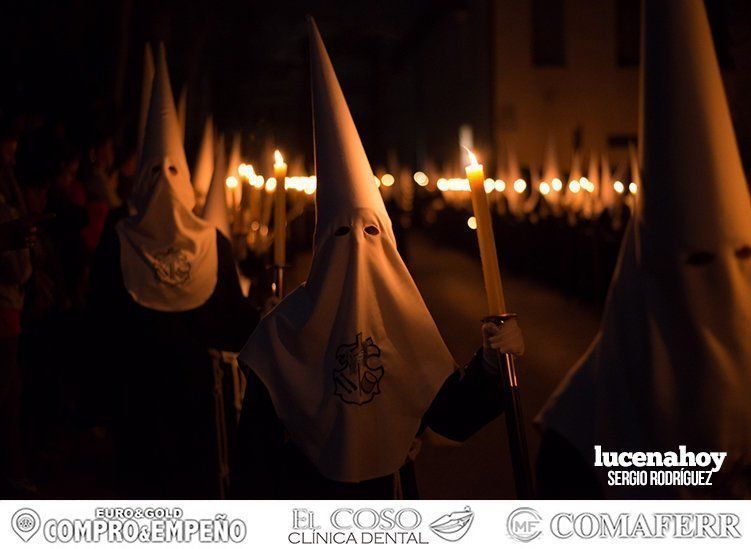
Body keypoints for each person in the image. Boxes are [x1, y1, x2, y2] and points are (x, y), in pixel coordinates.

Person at [231, 19, 524, 499]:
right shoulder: (281, 332)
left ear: (386, 242)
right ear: (324, 242)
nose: (356, 245)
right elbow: (252, 460)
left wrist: (493, 365)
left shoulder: (403, 322)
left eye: (370, 232)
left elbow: (451, 415)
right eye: (343, 233)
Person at [536, 0, 751, 499]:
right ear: (640, 275)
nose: (714, 283)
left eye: (742, 257)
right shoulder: (579, 436)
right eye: (693, 263)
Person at [88, 44, 260, 498]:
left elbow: (99, 322)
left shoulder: (118, 238)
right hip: (180, 397)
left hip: (141, 398)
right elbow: (233, 326)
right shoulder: (209, 242)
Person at [0, 120, 34, 496]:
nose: (11, 159)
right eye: (7, 150)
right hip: (4, 311)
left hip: (11, 310)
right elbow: (16, 266)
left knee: (12, 396)